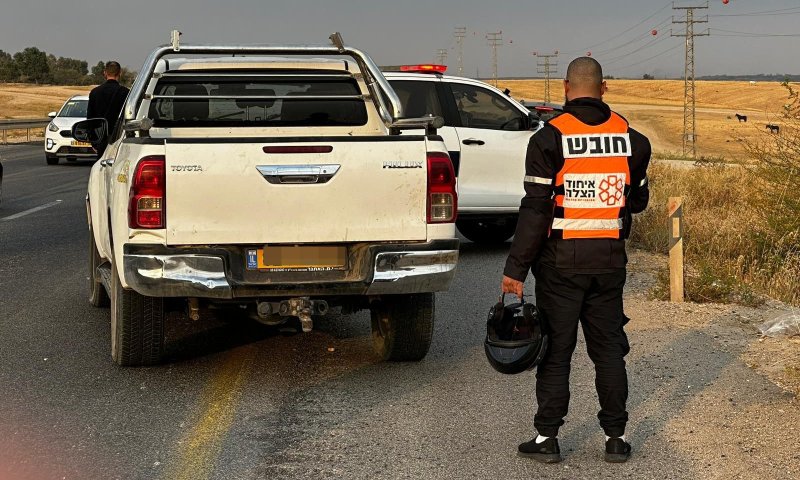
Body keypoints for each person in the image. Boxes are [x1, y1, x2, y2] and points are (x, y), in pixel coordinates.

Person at [501, 56, 651, 464]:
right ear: (604, 89)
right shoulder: (633, 140)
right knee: (608, 352)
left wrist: (515, 270)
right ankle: (615, 439)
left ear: (567, 88)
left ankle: (546, 439)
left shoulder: (548, 139)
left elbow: (535, 211)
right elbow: (637, 200)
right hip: (609, 263)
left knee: (556, 352)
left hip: (560, 266)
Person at [86, 61, 129, 158]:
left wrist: (94, 141)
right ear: (120, 73)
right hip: (120, 139)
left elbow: (90, 119)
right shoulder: (125, 92)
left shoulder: (95, 92)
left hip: (101, 139)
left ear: (105, 73)